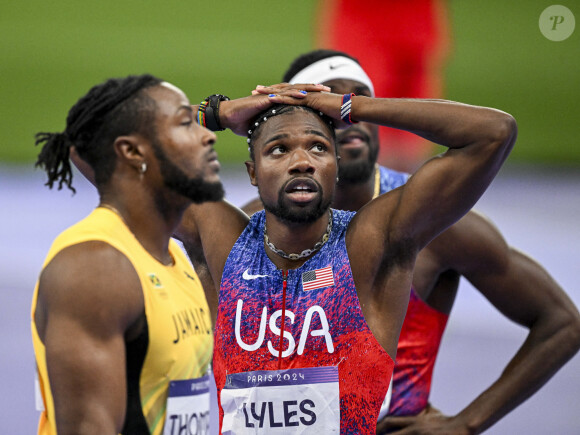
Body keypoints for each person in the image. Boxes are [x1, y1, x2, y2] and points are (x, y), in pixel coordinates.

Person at [244, 49, 580, 434]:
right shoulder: (255, 225)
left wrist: (466, 424)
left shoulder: (434, 220)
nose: (347, 117)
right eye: (330, 102)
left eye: (357, 99)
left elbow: (562, 323)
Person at [175, 74, 517, 432]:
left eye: (319, 147)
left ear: (336, 166)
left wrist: (353, 107)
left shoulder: (370, 244)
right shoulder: (222, 241)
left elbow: (493, 132)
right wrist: (217, 113)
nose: (302, 162)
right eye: (279, 149)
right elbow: (126, 155)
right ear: (253, 173)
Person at [32, 74, 224, 434]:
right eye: (186, 123)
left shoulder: (172, 255)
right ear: (133, 152)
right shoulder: (95, 269)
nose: (208, 135)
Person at [314, 0, 452, 172]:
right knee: (366, 114)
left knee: (415, 119)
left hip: (415, 17)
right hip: (364, 19)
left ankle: (402, 186)